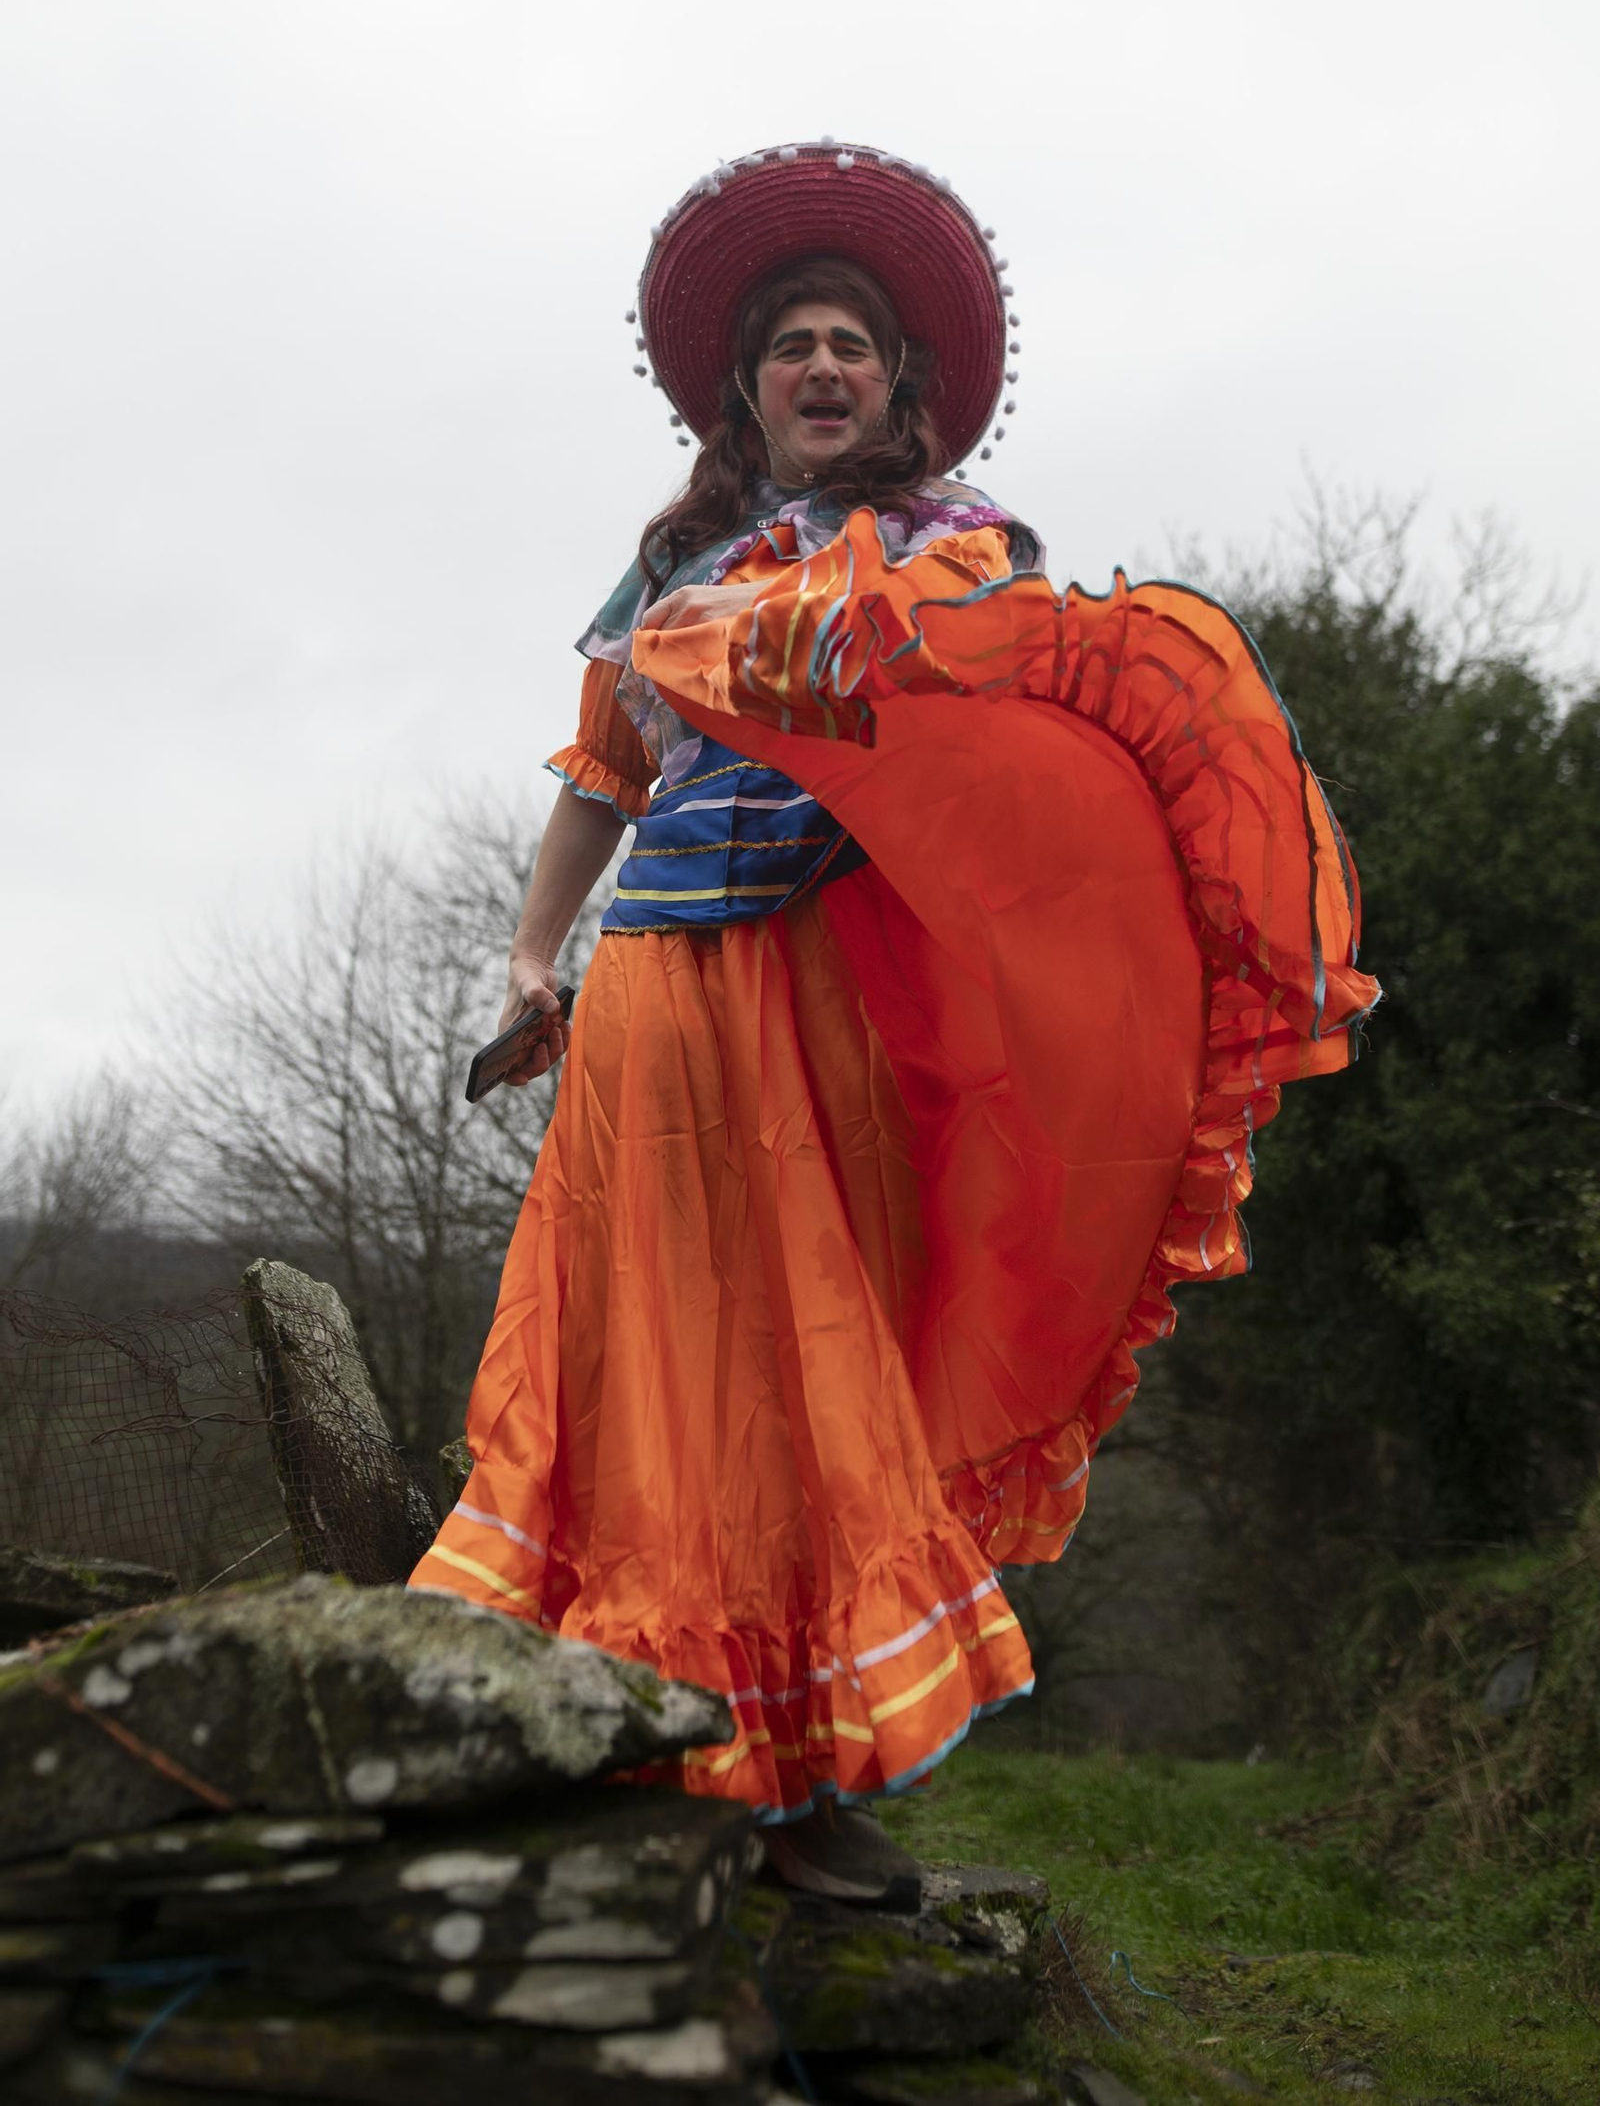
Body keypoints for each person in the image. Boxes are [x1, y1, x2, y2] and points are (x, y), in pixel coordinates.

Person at [409, 142, 1379, 1905]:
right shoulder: (666, 578)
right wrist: (531, 962)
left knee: (804, 1367)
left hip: (829, 995)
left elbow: (1028, 752)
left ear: (901, 384)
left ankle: (798, 1774)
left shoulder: (954, 555)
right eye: (795, 341)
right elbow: (599, 778)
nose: (827, 364)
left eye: (855, 339)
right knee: (641, 1364)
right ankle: (625, 1724)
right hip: (650, 1008)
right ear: (744, 388)